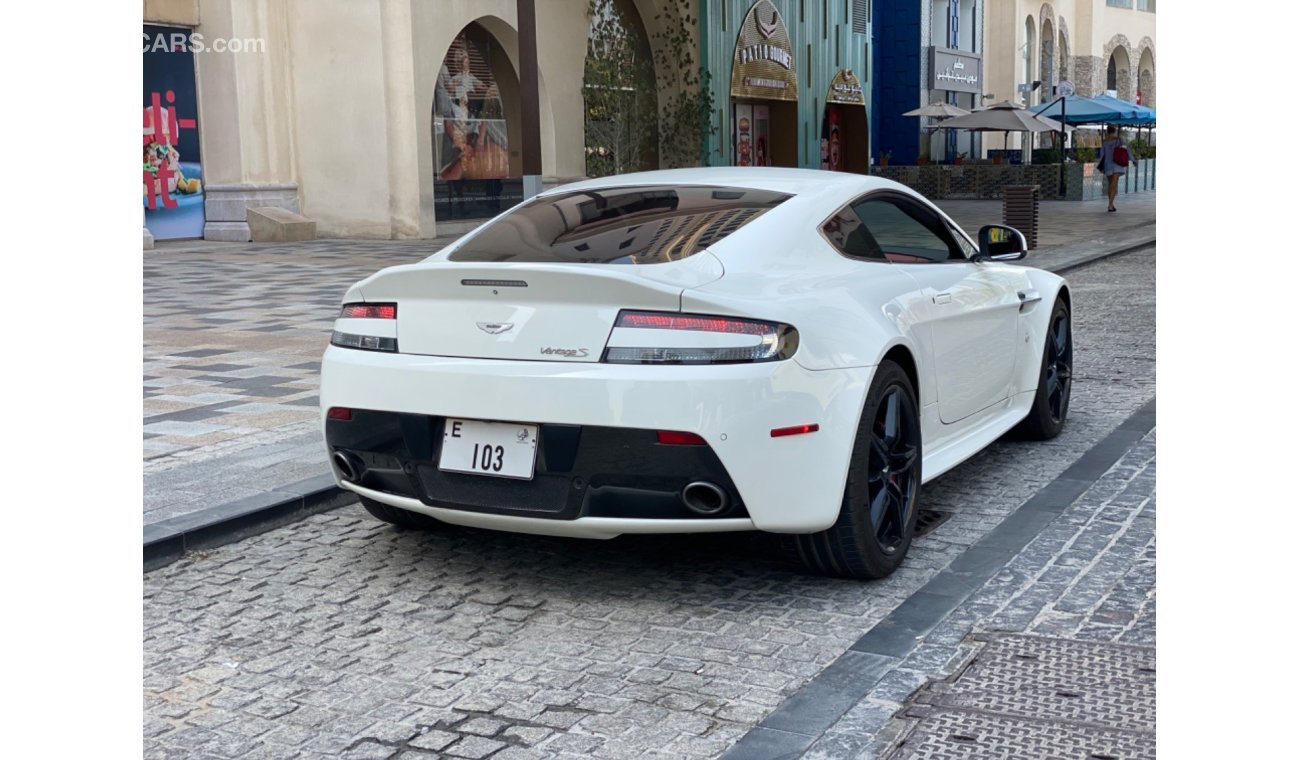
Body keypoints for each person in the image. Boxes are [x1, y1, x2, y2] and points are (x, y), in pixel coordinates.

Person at [1099, 125, 1130, 212]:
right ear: (1115, 131)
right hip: (1117, 163)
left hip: (1108, 164)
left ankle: (1111, 204)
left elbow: (1101, 154)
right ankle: (1110, 204)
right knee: (1114, 184)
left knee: (1110, 185)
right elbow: (1126, 150)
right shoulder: (1119, 140)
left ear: (1107, 132)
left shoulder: (1104, 141)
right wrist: (1132, 160)